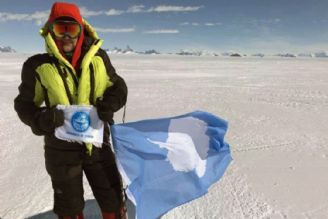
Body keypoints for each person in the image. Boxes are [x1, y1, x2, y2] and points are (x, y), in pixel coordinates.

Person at [14, 2, 127, 219]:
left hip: (98, 144)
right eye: (60, 29)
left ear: (81, 30)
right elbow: (24, 104)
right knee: (69, 207)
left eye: (71, 29)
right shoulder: (37, 66)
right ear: (51, 31)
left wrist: (110, 104)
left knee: (113, 199)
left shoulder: (99, 59)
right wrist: (41, 119)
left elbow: (118, 87)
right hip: (61, 151)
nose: (66, 36)